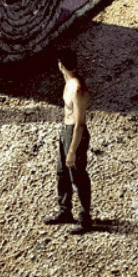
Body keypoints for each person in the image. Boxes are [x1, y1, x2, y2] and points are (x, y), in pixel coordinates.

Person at [45, 49, 93, 233]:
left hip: (75, 133)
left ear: (60, 66)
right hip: (66, 131)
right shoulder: (69, 82)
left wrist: (72, 150)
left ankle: (85, 219)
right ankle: (65, 211)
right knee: (61, 173)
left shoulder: (78, 89)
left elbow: (80, 124)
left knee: (78, 176)